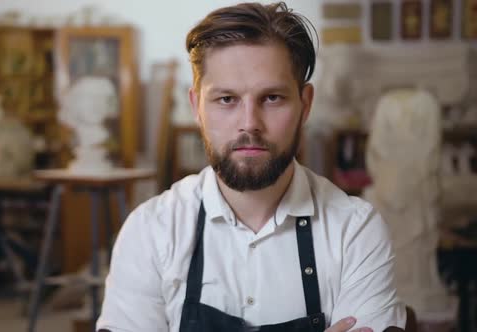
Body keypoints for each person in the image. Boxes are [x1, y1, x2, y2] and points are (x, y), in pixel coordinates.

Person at [97, 2, 406, 332]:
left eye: (272, 98)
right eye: (227, 99)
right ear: (196, 107)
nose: (249, 124)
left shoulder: (355, 232)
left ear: (305, 105)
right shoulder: (150, 232)